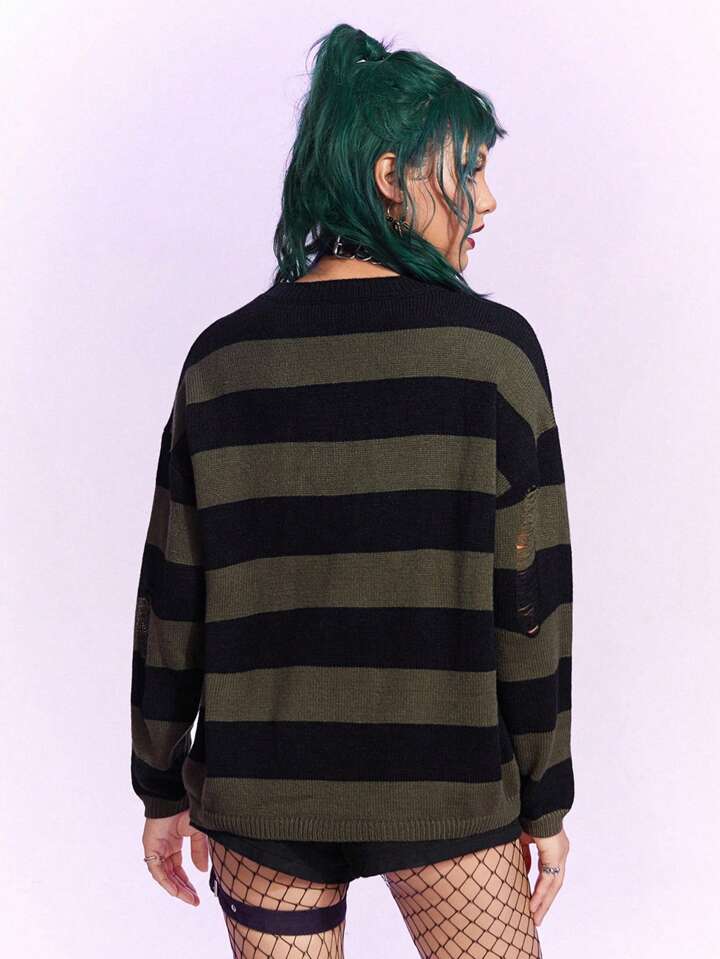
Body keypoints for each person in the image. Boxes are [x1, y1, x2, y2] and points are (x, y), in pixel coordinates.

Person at [130, 22, 574, 959]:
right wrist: (546, 798)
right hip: (445, 790)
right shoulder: (492, 357)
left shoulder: (222, 361)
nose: (488, 199)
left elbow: (173, 598)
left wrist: (160, 785)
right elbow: (532, 602)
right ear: (391, 178)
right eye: (469, 169)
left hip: (262, 796)